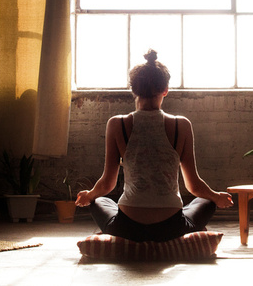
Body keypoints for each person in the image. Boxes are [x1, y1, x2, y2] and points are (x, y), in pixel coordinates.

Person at [75, 49, 233, 242]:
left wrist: (88, 195)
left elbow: (108, 184)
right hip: (171, 227)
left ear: (133, 90)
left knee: (98, 200)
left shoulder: (117, 124)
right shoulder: (181, 125)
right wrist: (217, 197)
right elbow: (194, 186)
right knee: (207, 202)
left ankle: (115, 231)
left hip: (127, 227)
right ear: (165, 90)